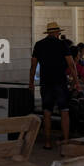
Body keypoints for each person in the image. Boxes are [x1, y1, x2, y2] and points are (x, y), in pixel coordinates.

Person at [29, 21, 77, 149]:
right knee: (64, 111)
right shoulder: (62, 44)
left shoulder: (39, 45)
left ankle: (47, 142)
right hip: (60, 81)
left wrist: (31, 82)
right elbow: (71, 64)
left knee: (47, 112)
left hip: (46, 81)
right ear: (56, 33)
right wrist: (76, 81)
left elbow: (33, 65)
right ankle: (66, 140)